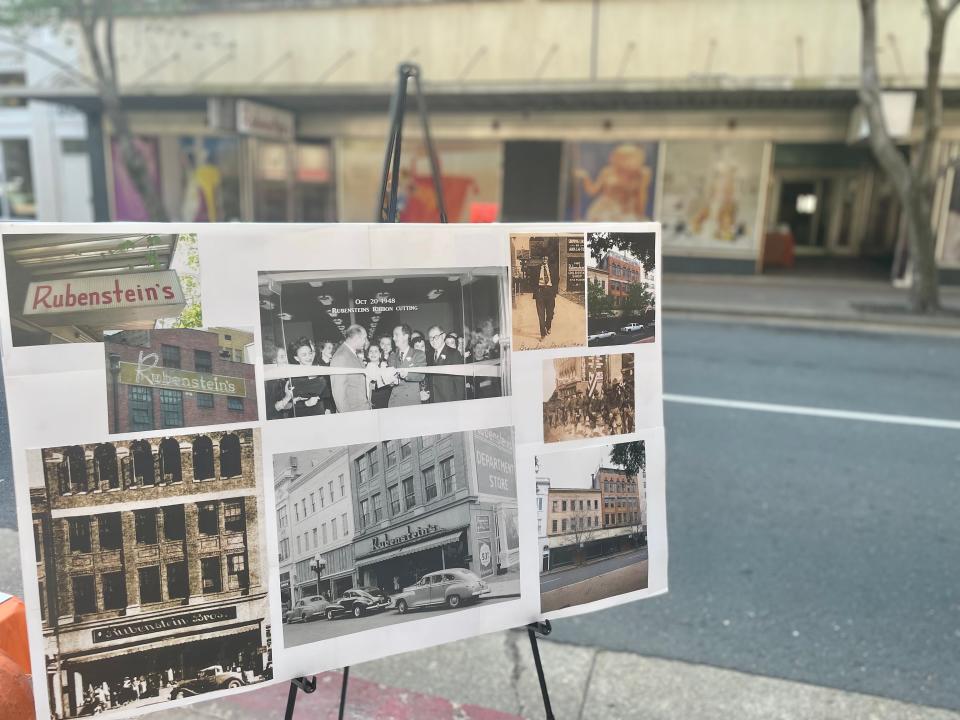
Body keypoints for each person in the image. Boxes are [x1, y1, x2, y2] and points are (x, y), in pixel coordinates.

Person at [330, 325, 371, 413]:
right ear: (356, 338)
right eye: (364, 338)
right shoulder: (341, 357)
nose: (365, 342)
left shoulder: (352, 354)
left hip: (361, 409)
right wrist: (347, 417)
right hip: (352, 413)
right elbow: (339, 393)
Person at [285, 337, 330, 416]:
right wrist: (306, 403)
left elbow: (326, 396)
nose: (309, 357)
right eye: (304, 355)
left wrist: (327, 408)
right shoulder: (293, 378)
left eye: (310, 353)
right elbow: (287, 405)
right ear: (296, 358)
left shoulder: (318, 372)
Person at [387, 324, 426, 407]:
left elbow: (421, 375)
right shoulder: (392, 356)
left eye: (396, 335)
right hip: (395, 402)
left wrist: (407, 374)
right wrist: (388, 380)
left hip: (411, 401)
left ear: (406, 336)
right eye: (393, 335)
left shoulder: (418, 354)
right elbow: (390, 381)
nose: (393, 338)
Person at [426, 325, 466, 404]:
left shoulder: (454, 353)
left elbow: (460, 384)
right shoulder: (429, 355)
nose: (433, 340)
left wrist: (459, 404)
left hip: (449, 402)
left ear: (443, 336)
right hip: (433, 402)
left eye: (436, 336)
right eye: (431, 338)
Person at [534, 250, 559, 340]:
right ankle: (543, 334)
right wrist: (536, 290)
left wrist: (554, 290)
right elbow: (532, 281)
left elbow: (557, 279)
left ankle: (548, 326)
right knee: (541, 314)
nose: (544, 259)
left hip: (550, 293)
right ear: (541, 259)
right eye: (543, 258)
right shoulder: (536, 268)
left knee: (550, 314)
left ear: (548, 259)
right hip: (540, 292)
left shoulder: (552, 268)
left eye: (546, 257)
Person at [366, 344, 393, 409]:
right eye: (371, 351)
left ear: (380, 354)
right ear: (367, 354)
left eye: (376, 351)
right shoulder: (365, 368)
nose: (373, 354)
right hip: (372, 399)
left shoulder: (385, 366)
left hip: (385, 398)